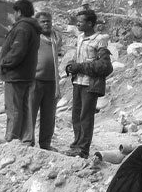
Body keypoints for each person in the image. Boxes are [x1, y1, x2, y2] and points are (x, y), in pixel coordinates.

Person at [65, 8, 112, 158]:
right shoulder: (79, 38)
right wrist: (72, 65)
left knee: (86, 116)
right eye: (77, 21)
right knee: (76, 115)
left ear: (90, 23)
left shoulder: (100, 40)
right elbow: (79, 58)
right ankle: (76, 144)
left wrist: (81, 67)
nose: (77, 24)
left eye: (81, 22)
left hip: (90, 84)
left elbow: (105, 66)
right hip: (78, 82)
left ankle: (83, 149)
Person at [0, 0, 41, 143]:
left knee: (13, 109)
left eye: (14, 12)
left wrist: (4, 63)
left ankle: (11, 138)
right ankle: (23, 139)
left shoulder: (22, 28)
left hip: (16, 75)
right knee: (22, 108)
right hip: (25, 74)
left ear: (19, 12)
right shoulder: (31, 27)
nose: (13, 15)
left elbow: (17, 51)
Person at [31, 10, 65, 150]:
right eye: (43, 21)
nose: (46, 24)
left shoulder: (55, 38)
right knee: (30, 113)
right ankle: (28, 142)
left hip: (52, 82)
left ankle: (45, 144)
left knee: (49, 116)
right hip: (35, 81)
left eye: (48, 21)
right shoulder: (33, 37)